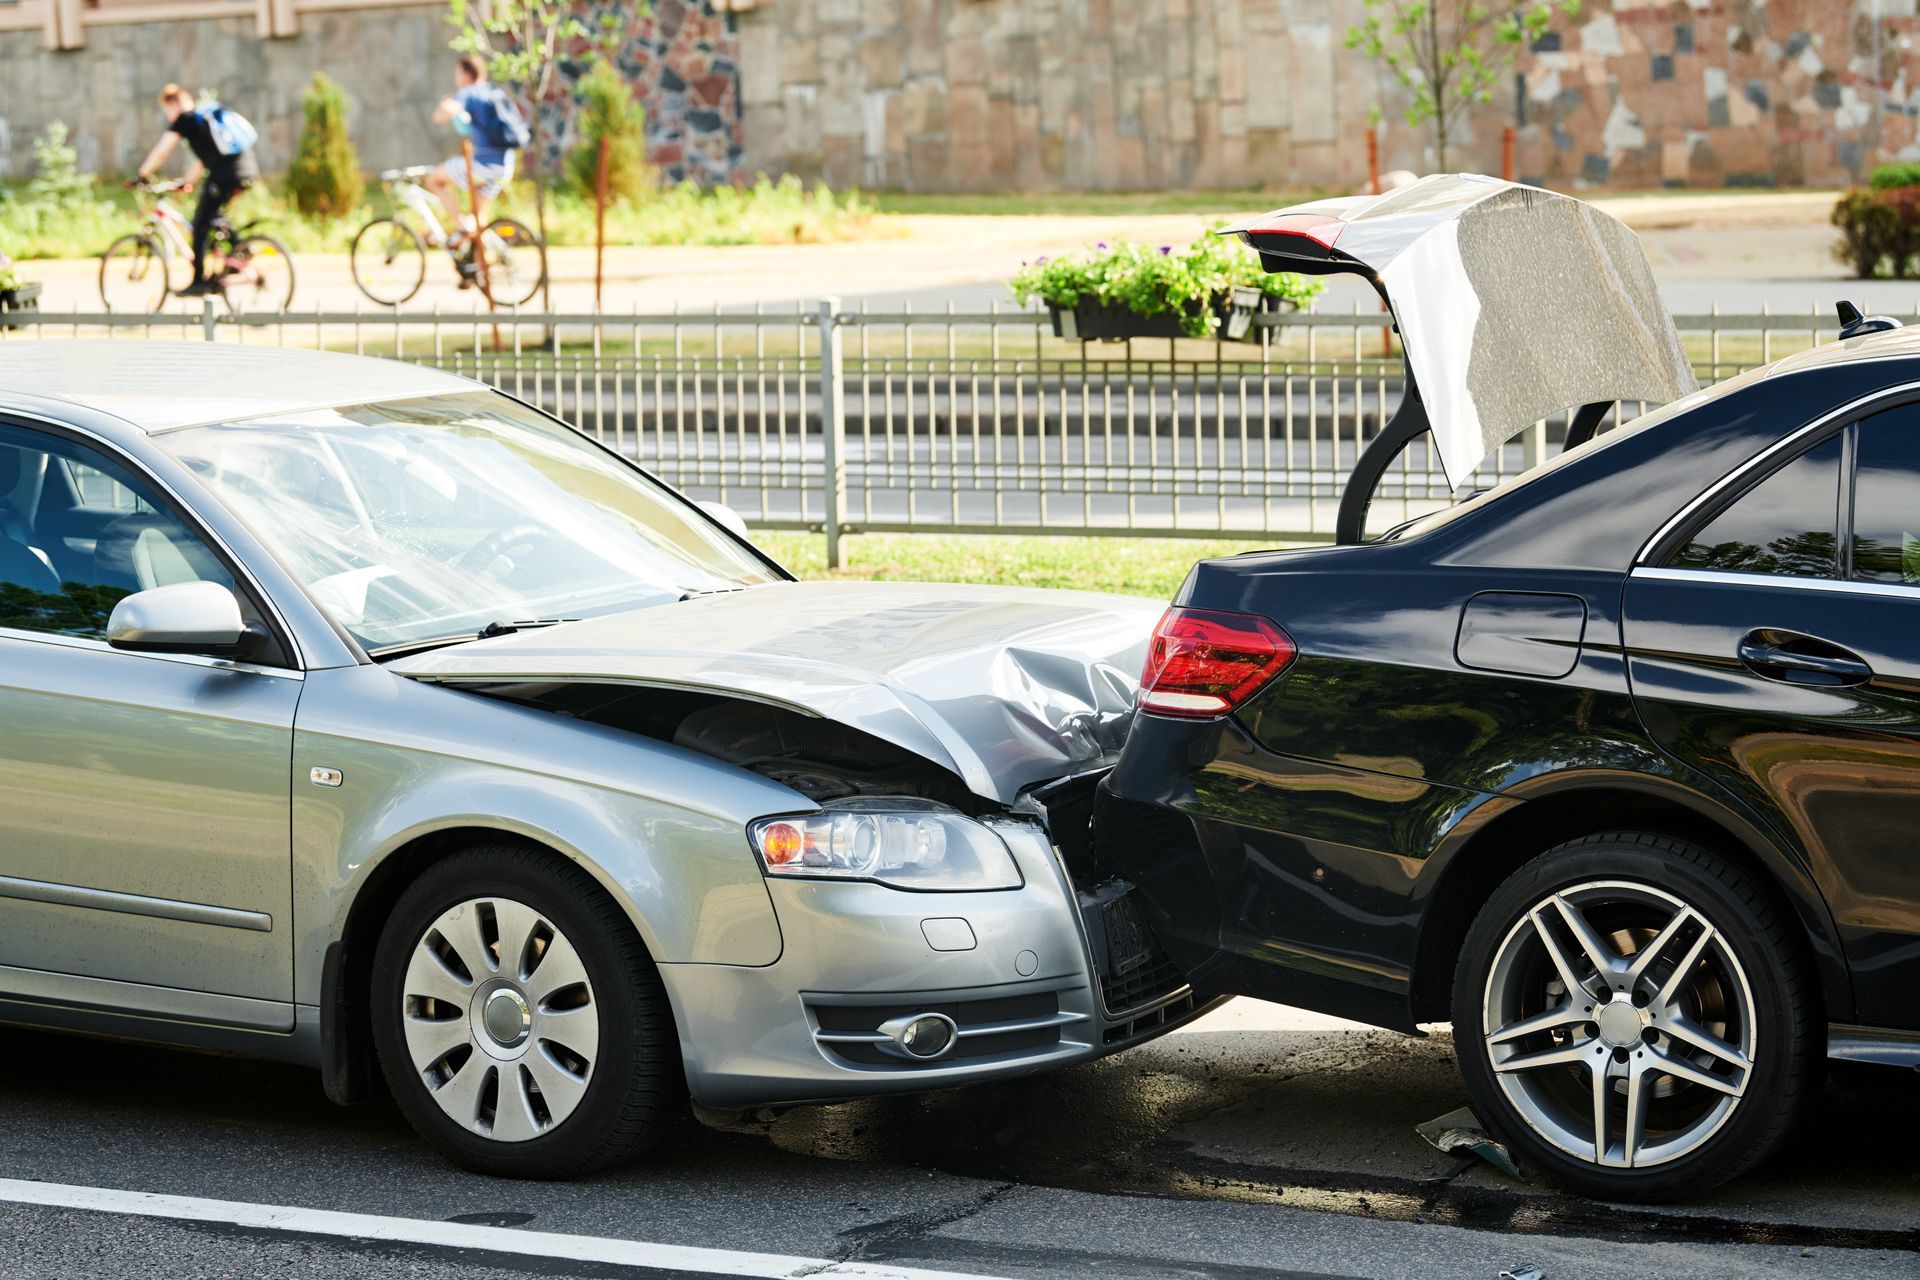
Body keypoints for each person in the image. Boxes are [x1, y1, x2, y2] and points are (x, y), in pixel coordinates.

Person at [132, 84, 260, 297]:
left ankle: (199, 281)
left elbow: (162, 151)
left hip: (225, 174)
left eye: (167, 111)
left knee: (200, 223)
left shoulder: (186, 119)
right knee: (214, 215)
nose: (169, 116)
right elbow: (204, 160)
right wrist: (186, 182)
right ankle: (240, 249)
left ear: (174, 104)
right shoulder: (204, 121)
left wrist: (142, 174)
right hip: (245, 170)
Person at [425, 55, 525, 248]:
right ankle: (481, 266)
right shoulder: (495, 92)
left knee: (434, 179)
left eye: (457, 73)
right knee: (478, 219)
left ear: (464, 73)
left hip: (482, 165)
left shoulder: (469, 93)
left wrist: (445, 103)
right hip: (504, 166)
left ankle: (459, 224)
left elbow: (442, 115)